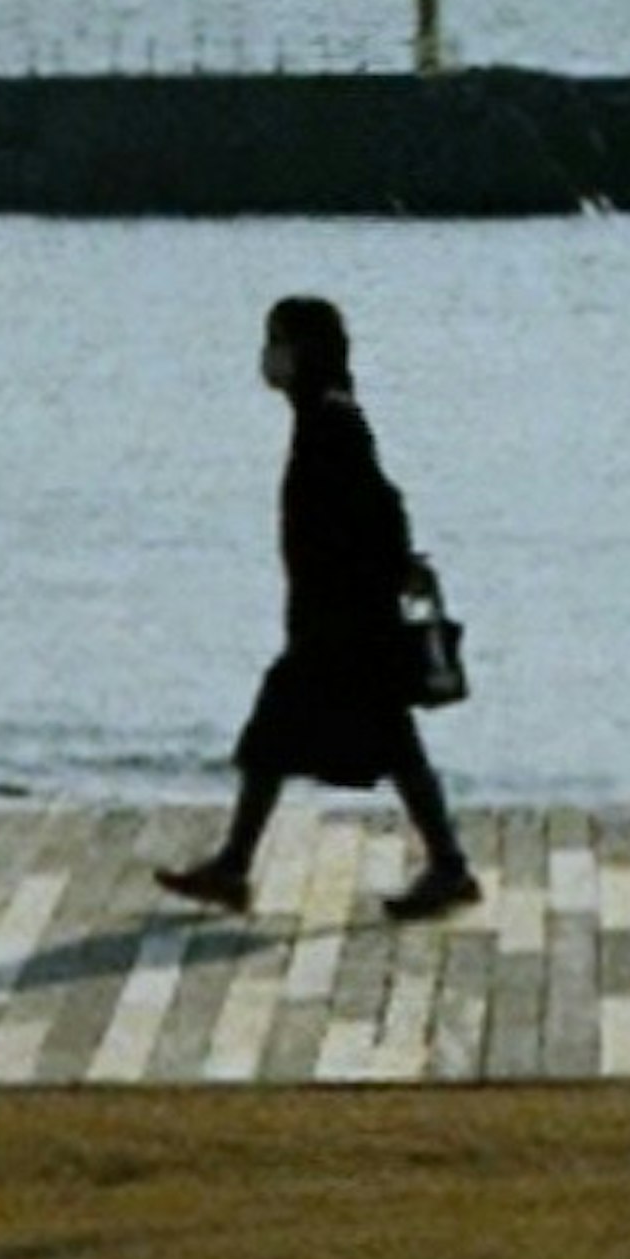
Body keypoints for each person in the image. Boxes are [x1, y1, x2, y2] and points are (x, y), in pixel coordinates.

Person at [158, 290, 479, 925]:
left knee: (301, 741)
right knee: (310, 742)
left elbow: (379, 508)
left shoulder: (332, 421)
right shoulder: (324, 415)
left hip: (343, 623)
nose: (266, 357)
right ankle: (238, 866)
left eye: (275, 342)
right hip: (332, 618)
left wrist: (386, 574)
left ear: (302, 352)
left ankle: (445, 867)